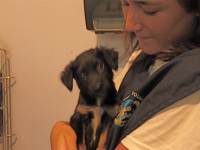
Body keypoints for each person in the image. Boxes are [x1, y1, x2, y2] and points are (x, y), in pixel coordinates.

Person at [50, 0, 200, 149]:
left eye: (149, 10)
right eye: (125, 4)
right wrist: (61, 129)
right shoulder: (147, 54)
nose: (128, 24)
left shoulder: (190, 89)